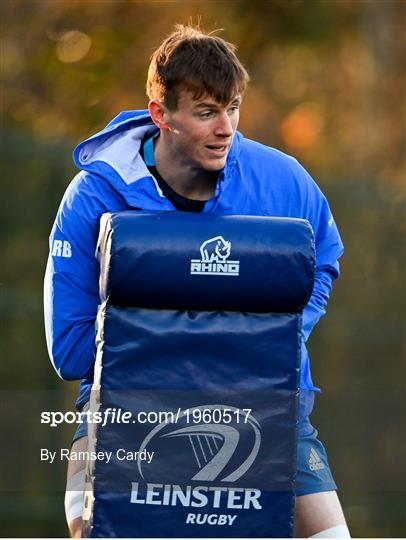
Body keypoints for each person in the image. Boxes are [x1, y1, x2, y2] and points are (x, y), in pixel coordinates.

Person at [44, 24, 349, 538]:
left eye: (232, 108)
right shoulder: (94, 197)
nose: (226, 128)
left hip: (265, 407)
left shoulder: (283, 181)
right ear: (160, 115)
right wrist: (209, 342)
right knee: (85, 526)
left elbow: (324, 260)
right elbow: (72, 350)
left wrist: (280, 334)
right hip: (128, 410)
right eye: (206, 113)